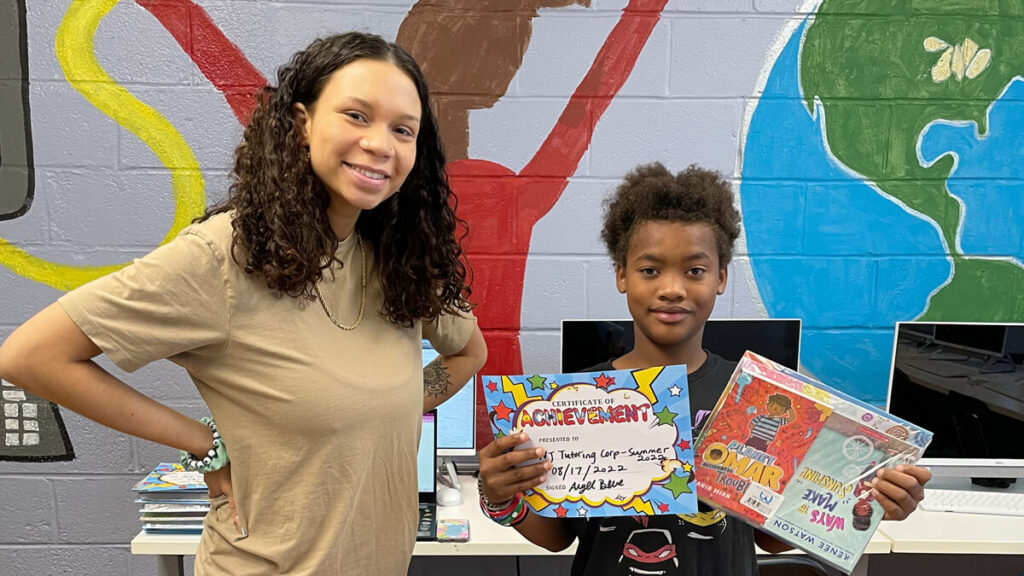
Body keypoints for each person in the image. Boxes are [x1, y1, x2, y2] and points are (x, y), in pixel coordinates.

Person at [0, 32, 486, 575]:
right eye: (355, 115)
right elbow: (29, 356)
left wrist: (387, 401)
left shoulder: (401, 259)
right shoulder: (223, 258)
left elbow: (468, 353)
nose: (380, 144)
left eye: (403, 130)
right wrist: (199, 440)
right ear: (301, 123)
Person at [476, 162, 930, 575]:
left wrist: (867, 500)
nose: (672, 289)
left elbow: (770, 537)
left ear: (721, 277)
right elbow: (559, 538)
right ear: (621, 275)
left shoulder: (753, 396)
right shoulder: (579, 401)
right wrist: (501, 497)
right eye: (650, 270)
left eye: (694, 271)